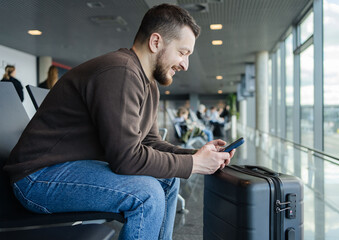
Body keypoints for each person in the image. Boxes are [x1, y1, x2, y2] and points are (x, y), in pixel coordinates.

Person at [4, 4, 235, 240]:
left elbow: (151, 141)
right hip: (37, 177)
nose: (185, 64)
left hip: (67, 168)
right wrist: (194, 165)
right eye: (183, 53)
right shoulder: (120, 71)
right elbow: (126, 159)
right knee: (148, 194)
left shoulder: (148, 83)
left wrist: (196, 154)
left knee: (168, 179)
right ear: (156, 42)